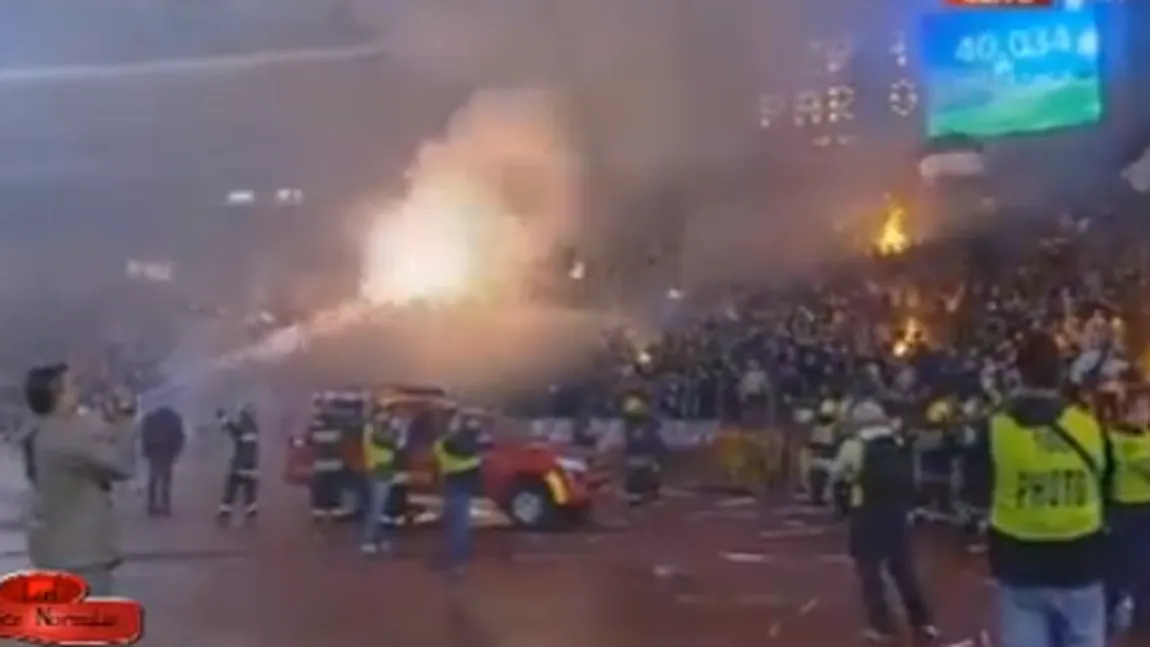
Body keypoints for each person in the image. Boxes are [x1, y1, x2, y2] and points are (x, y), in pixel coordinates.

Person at [985, 332, 1111, 647]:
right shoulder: (1088, 426)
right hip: (1081, 558)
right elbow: (1106, 479)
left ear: (1019, 374)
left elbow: (977, 485)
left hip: (1020, 562)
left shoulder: (998, 428)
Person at [828, 399, 937, 642]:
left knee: (870, 572)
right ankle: (923, 621)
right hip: (897, 513)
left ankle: (882, 626)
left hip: (866, 513)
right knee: (903, 569)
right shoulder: (897, 442)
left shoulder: (854, 446)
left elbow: (838, 474)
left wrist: (837, 504)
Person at [24, 363, 137, 596]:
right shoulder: (65, 435)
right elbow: (121, 465)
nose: (78, 390)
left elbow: (97, 436)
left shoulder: (47, 430)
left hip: (59, 552)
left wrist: (112, 419)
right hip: (79, 558)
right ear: (58, 396)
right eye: (72, 385)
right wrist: (126, 417)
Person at [1106, 394, 1150, 633]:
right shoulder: (1125, 443)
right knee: (1132, 568)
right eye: (1144, 408)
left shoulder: (1114, 438)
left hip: (1132, 511)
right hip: (1129, 511)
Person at [434, 410, 484, 576]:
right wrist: (472, 431)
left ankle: (454, 560)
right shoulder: (449, 442)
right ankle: (457, 561)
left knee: (454, 525)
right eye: (455, 421)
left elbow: (469, 448)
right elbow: (466, 449)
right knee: (458, 526)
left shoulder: (450, 440)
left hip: (456, 486)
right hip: (458, 486)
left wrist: (472, 430)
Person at [360, 410, 407, 556]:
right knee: (377, 508)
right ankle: (369, 541)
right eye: (383, 415)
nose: (386, 417)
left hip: (384, 472)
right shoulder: (375, 431)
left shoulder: (377, 429)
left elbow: (397, 444)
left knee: (381, 508)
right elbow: (393, 443)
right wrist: (398, 429)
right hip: (378, 472)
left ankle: (379, 539)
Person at [216, 404, 259, 526]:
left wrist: (222, 418)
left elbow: (231, 428)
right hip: (252, 467)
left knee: (230, 489)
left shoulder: (243, 426)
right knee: (250, 493)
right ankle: (251, 517)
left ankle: (224, 516)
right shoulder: (254, 428)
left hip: (239, 465)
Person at [139, 406, 185, 517]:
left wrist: (145, 450)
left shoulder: (149, 419)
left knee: (153, 478)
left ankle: (151, 506)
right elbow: (180, 437)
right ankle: (165, 506)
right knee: (166, 477)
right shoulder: (174, 419)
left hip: (154, 449)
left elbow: (144, 435)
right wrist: (176, 452)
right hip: (167, 450)